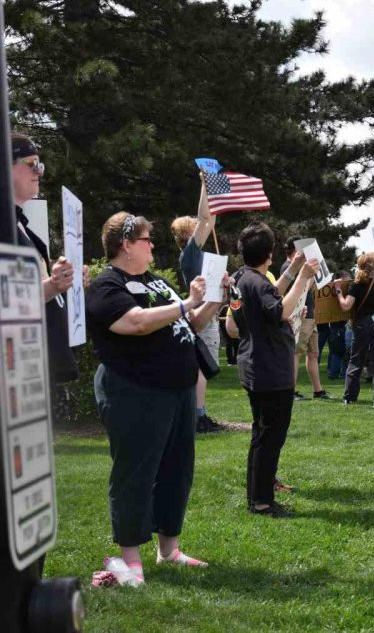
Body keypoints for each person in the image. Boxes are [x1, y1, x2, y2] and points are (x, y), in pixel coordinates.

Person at [88, 211, 226, 582]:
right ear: (126, 245)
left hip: (177, 390)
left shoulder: (156, 282)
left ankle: (169, 550)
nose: (152, 245)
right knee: (135, 472)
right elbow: (135, 322)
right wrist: (187, 302)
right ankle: (131, 558)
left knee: (177, 470)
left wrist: (214, 299)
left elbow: (191, 323)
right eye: (146, 239)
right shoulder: (107, 285)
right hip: (135, 391)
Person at [226, 223, 319, 518]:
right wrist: (303, 277)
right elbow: (279, 310)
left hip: (254, 363)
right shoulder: (256, 282)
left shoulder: (242, 278)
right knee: (270, 438)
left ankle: (257, 496)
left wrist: (292, 270)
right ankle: (262, 501)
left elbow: (270, 296)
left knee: (261, 434)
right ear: (269, 253)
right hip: (269, 368)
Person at [11, 133, 79, 389]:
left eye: (40, 164)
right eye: (31, 164)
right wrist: (53, 285)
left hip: (37, 366)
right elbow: (9, 299)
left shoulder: (22, 227)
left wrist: (68, 283)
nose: (39, 171)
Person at [170, 179, 223, 433]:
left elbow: (208, 220)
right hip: (203, 313)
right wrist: (206, 183)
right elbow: (206, 220)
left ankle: (197, 413)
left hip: (204, 311)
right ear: (188, 233)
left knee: (201, 366)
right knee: (202, 366)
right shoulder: (191, 252)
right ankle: (198, 417)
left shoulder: (192, 254)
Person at [336, 252, 374, 407]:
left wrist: (338, 291)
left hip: (362, 324)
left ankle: (350, 397)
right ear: (372, 265)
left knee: (356, 361)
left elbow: (346, 306)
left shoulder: (355, 285)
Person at [280, 237, 332, 401]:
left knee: (313, 353)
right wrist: (310, 277)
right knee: (296, 353)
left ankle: (318, 390)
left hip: (309, 315)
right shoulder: (288, 268)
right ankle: (291, 391)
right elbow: (300, 289)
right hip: (299, 315)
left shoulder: (296, 267)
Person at [317, 270, 352, 380]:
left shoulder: (347, 291)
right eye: (347, 279)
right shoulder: (333, 291)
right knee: (336, 349)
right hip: (336, 324)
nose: (349, 281)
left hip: (342, 323)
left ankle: (337, 372)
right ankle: (335, 372)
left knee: (341, 349)